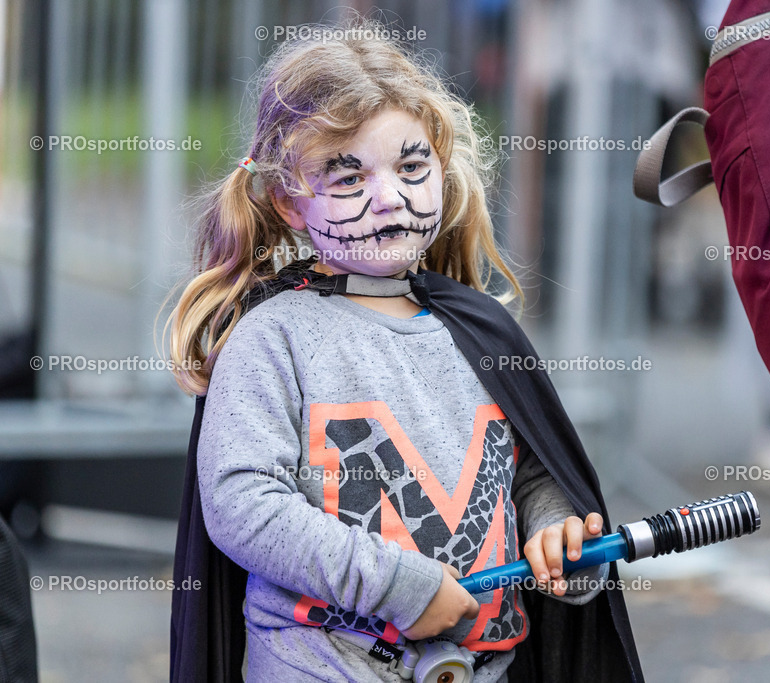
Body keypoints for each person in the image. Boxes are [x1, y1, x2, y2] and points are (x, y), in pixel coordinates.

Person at [167, 23, 642, 682]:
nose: (388, 196)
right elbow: (244, 504)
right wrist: (400, 587)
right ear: (289, 199)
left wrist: (555, 530)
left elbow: (530, 474)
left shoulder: (479, 332)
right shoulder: (272, 340)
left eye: (411, 167)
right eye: (348, 173)